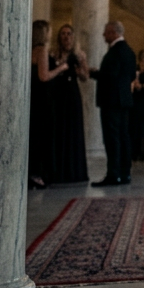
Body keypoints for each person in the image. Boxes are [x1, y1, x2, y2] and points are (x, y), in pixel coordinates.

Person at [88, 21, 137, 186]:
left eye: (106, 32)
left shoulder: (115, 52)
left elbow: (110, 77)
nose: (103, 35)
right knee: (123, 137)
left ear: (114, 33)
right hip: (124, 101)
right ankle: (125, 173)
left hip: (111, 101)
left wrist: (93, 73)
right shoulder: (129, 51)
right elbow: (130, 76)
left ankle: (113, 174)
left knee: (112, 139)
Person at [28, 21, 68, 189]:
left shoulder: (31, 49)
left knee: (36, 135)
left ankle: (34, 173)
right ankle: (38, 174)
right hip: (43, 99)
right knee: (43, 136)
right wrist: (61, 68)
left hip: (34, 97)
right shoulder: (42, 50)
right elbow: (44, 76)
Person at [49, 24, 90, 184]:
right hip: (57, 95)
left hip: (72, 96)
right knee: (59, 131)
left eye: (69, 34)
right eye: (63, 34)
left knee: (73, 131)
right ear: (59, 37)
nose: (66, 37)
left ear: (73, 37)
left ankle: (74, 171)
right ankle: (58, 171)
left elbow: (85, 77)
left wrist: (82, 63)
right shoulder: (53, 54)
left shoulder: (78, 55)